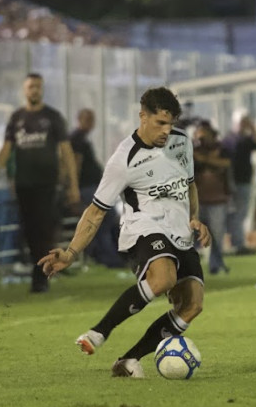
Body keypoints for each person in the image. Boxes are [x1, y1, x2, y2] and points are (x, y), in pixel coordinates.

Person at [38, 87, 211, 378]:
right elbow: (95, 212)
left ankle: (127, 360)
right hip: (144, 229)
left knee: (192, 305)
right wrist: (70, 253)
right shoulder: (123, 160)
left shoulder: (182, 142)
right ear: (142, 116)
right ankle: (99, 332)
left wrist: (195, 218)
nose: (167, 131)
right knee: (163, 279)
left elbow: (189, 184)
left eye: (170, 124)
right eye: (160, 123)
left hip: (180, 232)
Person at [0, 73, 79, 293]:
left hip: (47, 184)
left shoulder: (53, 117)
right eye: (30, 87)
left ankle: (41, 277)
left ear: (42, 89)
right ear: (24, 90)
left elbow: (66, 151)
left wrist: (73, 184)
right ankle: (38, 272)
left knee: (44, 230)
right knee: (29, 231)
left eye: (38, 86)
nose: (34, 90)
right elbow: (7, 149)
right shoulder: (17, 118)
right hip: (24, 184)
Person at [69, 108, 123, 268]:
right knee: (104, 218)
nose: (91, 123)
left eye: (92, 119)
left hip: (92, 186)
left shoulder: (82, 138)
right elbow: (75, 163)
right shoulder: (77, 138)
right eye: (88, 119)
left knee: (105, 220)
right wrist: (74, 188)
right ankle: (107, 257)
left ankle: (106, 255)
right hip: (87, 187)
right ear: (79, 119)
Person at [194, 121, 231, 274]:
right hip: (197, 199)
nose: (202, 139)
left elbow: (226, 163)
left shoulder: (222, 149)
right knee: (192, 234)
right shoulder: (192, 150)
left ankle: (215, 264)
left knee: (216, 233)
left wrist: (205, 159)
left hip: (217, 198)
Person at [224, 114, 256, 255]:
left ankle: (236, 242)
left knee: (238, 213)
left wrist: (253, 129)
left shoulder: (238, 139)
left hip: (242, 181)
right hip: (236, 181)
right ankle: (238, 244)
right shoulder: (232, 139)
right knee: (237, 213)